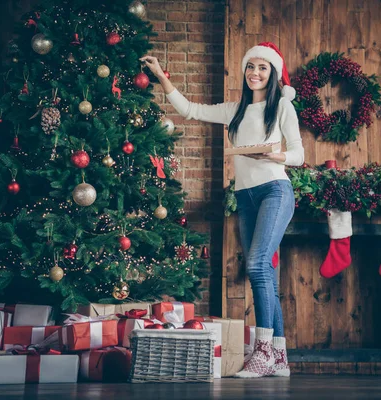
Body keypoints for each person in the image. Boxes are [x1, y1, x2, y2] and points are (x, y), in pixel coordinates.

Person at [141, 42, 304, 378]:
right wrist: (160, 76)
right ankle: (279, 357)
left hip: (276, 189)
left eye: (262, 68)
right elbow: (190, 110)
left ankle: (261, 353)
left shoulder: (283, 107)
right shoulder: (235, 110)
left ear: (272, 74)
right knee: (267, 276)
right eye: (250, 67)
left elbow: (299, 154)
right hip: (245, 196)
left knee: (257, 264)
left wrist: (277, 156)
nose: (255, 73)